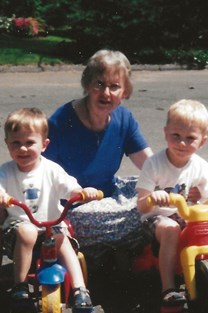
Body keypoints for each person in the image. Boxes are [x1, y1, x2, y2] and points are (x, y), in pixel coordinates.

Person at [136, 99, 208, 312]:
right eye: (176, 136)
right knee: (170, 228)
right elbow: (142, 206)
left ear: (202, 141)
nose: (182, 143)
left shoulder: (200, 165)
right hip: (157, 219)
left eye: (190, 138)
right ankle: (168, 290)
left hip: (185, 213)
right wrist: (154, 197)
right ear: (165, 133)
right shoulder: (154, 163)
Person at [0, 107, 101, 313]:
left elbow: (70, 187)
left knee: (62, 239)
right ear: (7, 145)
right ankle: (20, 286)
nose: (22, 149)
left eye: (29, 142)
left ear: (44, 145)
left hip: (51, 225)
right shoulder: (6, 171)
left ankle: (80, 290)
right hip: (18, 229)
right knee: (27, 232)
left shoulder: (51, 169)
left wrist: (83, 192)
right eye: (16, 143)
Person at [44, 49, 153, 249]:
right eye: (99, 84)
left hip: (108, 196)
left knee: (154, 195)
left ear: (125, 92)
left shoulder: (124, 119)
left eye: (114, 87)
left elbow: (150, 165)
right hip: (73, 206)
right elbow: (39, 170)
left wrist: (174, 184)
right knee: (138, 214)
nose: (106, 93)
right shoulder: (61, 121)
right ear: (87, 85)